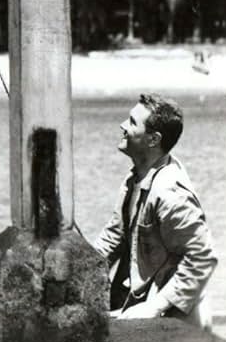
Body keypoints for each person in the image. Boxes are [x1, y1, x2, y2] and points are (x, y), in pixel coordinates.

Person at [93, 93, 217, 328]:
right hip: (140, 312)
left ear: (153, 139)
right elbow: (112, 239)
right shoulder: (135, 177)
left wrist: (154, 306)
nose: (122, 126)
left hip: (175, 323)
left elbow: (202, 258)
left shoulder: (170, 193)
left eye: (131, 122)